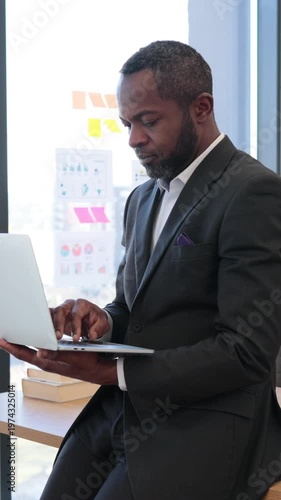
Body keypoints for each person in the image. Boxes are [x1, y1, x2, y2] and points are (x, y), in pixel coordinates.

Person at [1, 40, 281, 500]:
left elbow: (246, 352)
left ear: (201, 107)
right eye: (127, 124)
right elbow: (136, 309)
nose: (133, 139)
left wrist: (112, 373)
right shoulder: (142, 199)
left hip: (204, 423)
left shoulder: (253, 193)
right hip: (122, 411)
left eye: (148, 122)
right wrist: (103, 320)